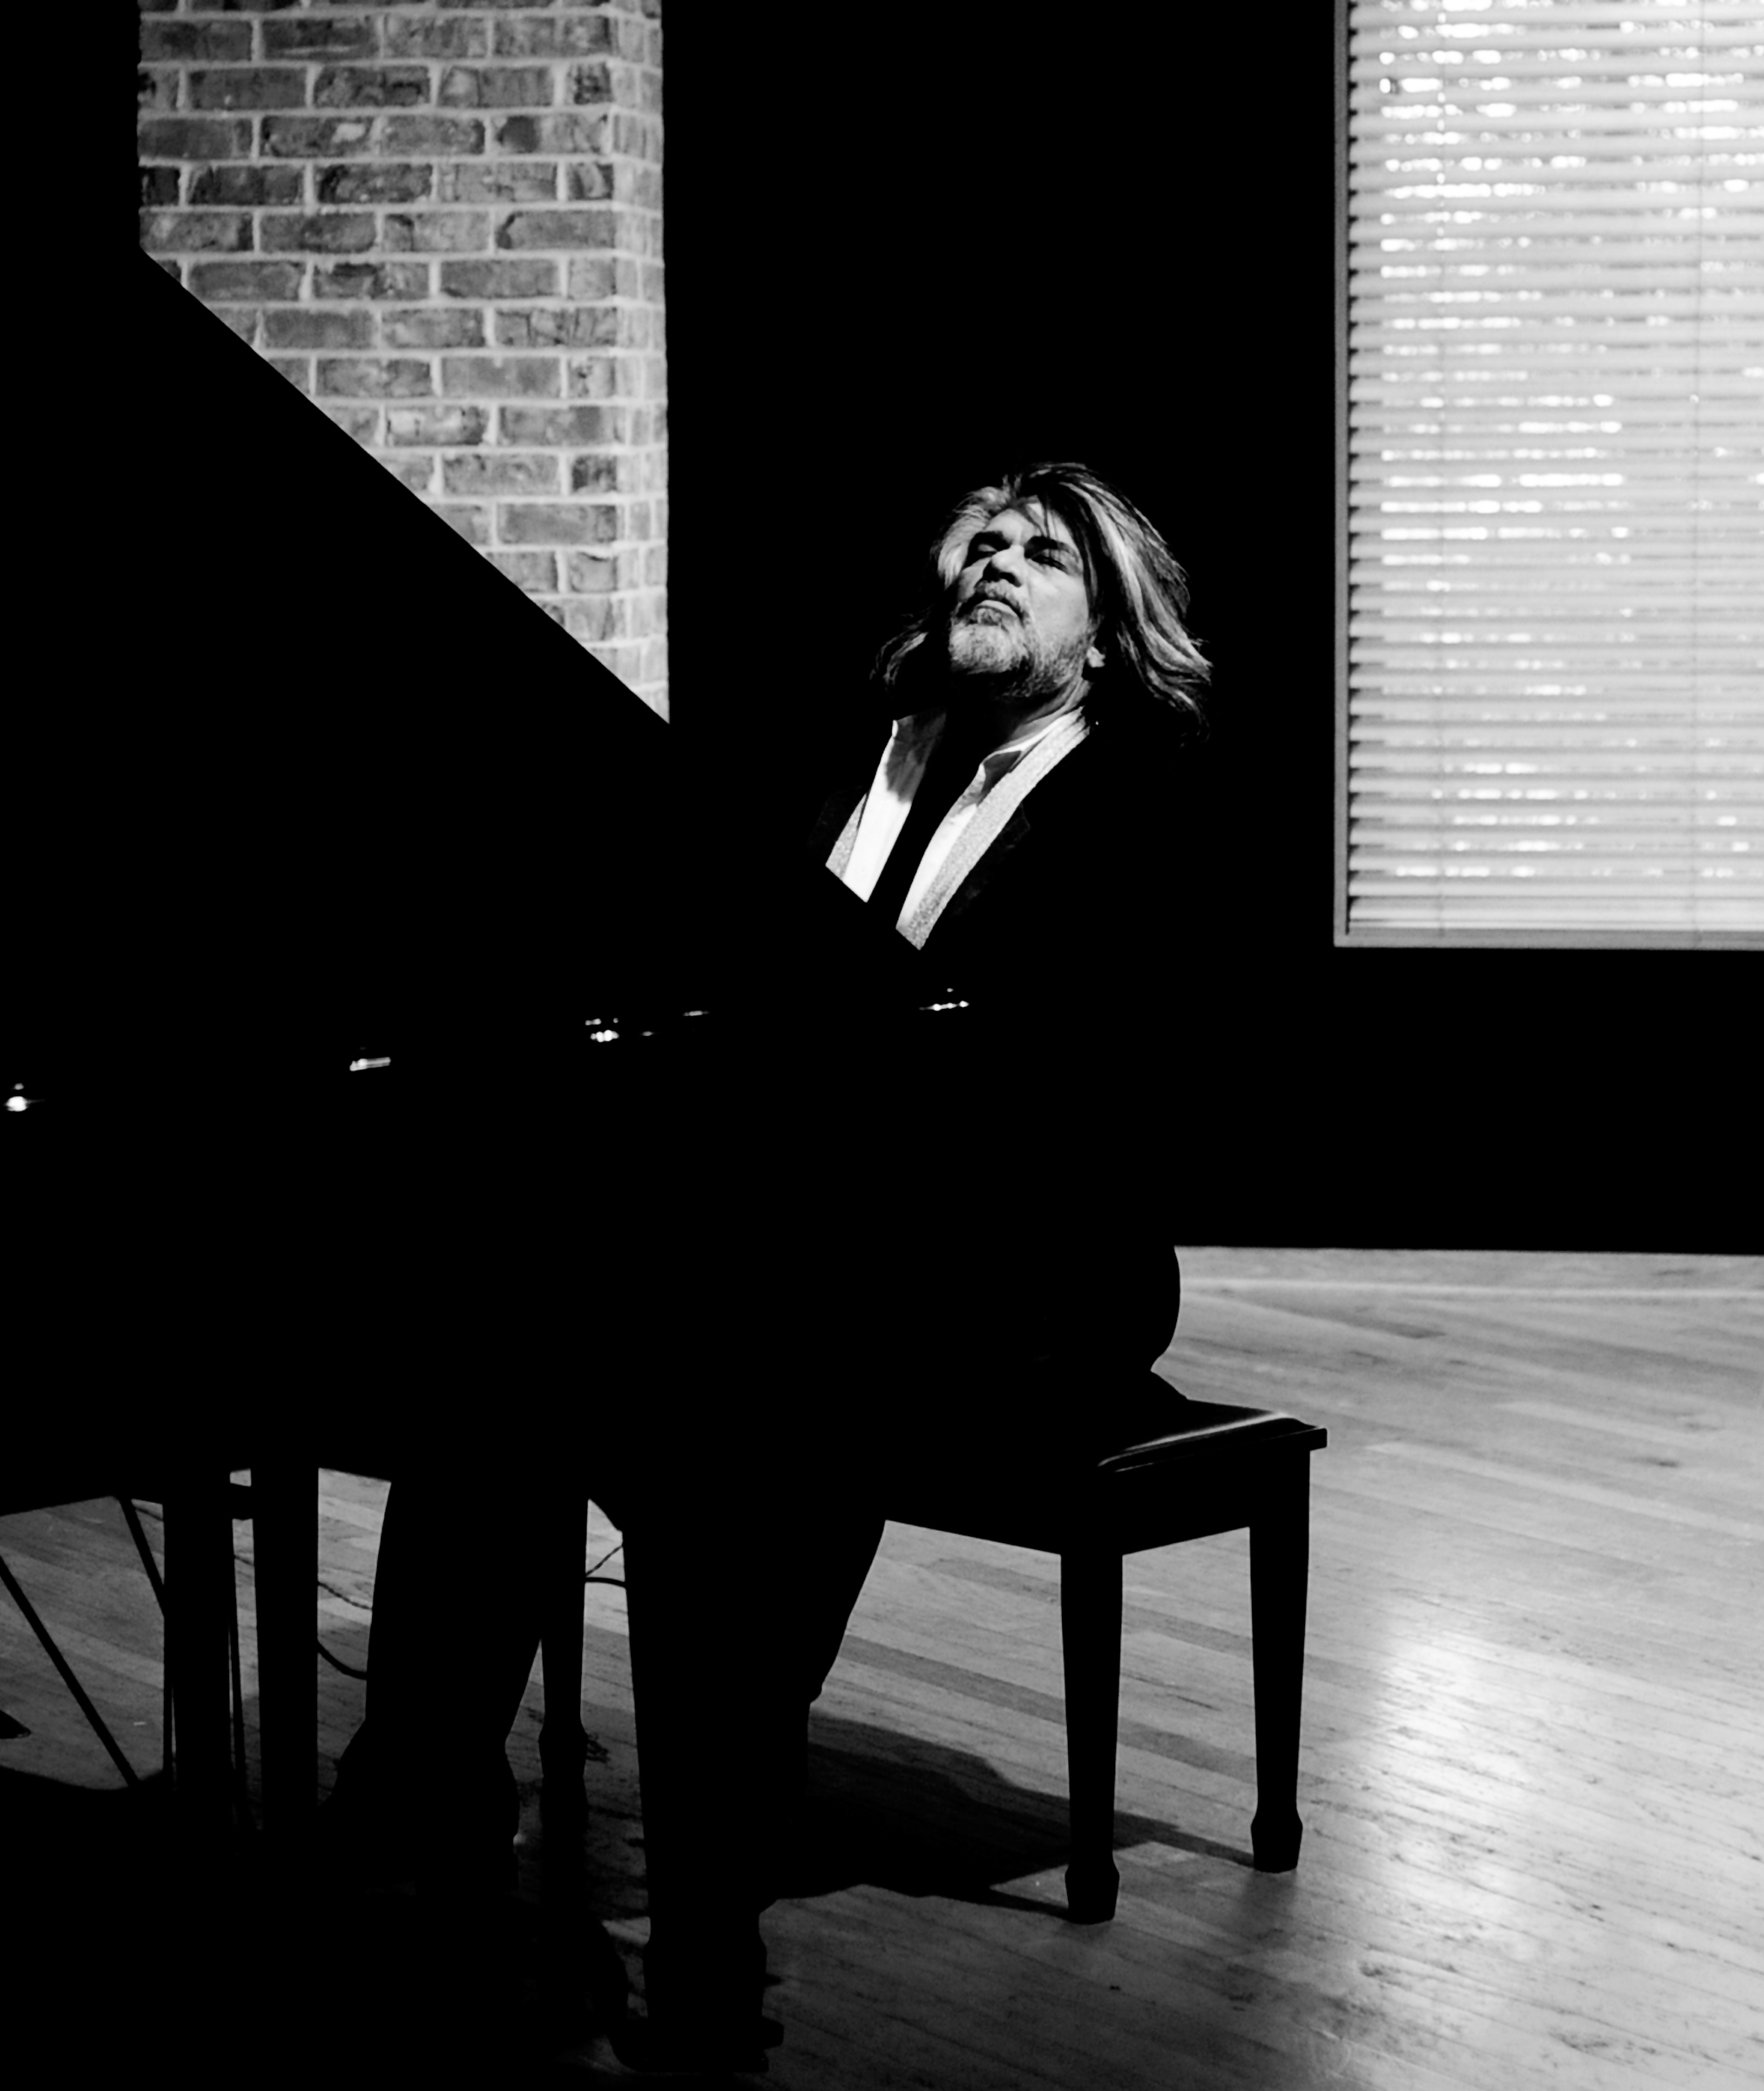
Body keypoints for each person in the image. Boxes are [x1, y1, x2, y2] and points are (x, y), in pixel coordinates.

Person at [321, 461, 1212, 2075]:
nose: (997, 565)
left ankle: (708, 1899)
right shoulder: (863, 749)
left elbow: (1096, 1085)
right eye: (983, 543)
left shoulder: (1143, 792)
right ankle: (425, 1795)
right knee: (504, 1350)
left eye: (1043, 555)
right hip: (800, 1217)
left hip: (1024, 1247)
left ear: (1105, 625)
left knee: (745, 1389)